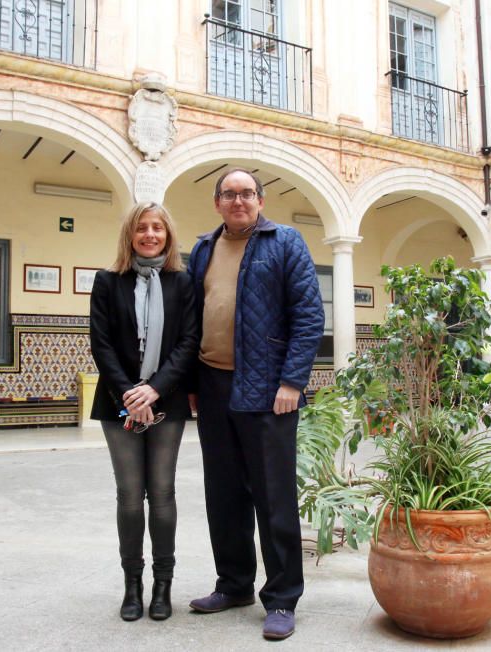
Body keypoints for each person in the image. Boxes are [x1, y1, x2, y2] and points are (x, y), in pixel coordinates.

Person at [186, 168, 324, 640]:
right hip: (212, 385)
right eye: (230, 194)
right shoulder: (203, 248)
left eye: (247, 193)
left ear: (261, 201)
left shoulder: (285, 241)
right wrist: (190, 382)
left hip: (269, 390)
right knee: (223, 493)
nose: (239, 200)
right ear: (217, 202)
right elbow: (191, 318)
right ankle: (234, 584)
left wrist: (292, 381)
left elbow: (308, 316)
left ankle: (282, 598)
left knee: (273, 496)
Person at [89, 201, 198, 622]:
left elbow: (189, 342)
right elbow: (101, 344)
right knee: (130, 496)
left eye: (158, 228)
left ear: (168, 236)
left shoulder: (181, 283)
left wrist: (153, 390)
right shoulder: (107, 281)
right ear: (130, 235)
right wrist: (130, 395)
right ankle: (132, 585)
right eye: (141, 229)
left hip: (165, 401)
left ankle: (163, 586)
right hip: (119, 404)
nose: (150, 235)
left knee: (163, 493)